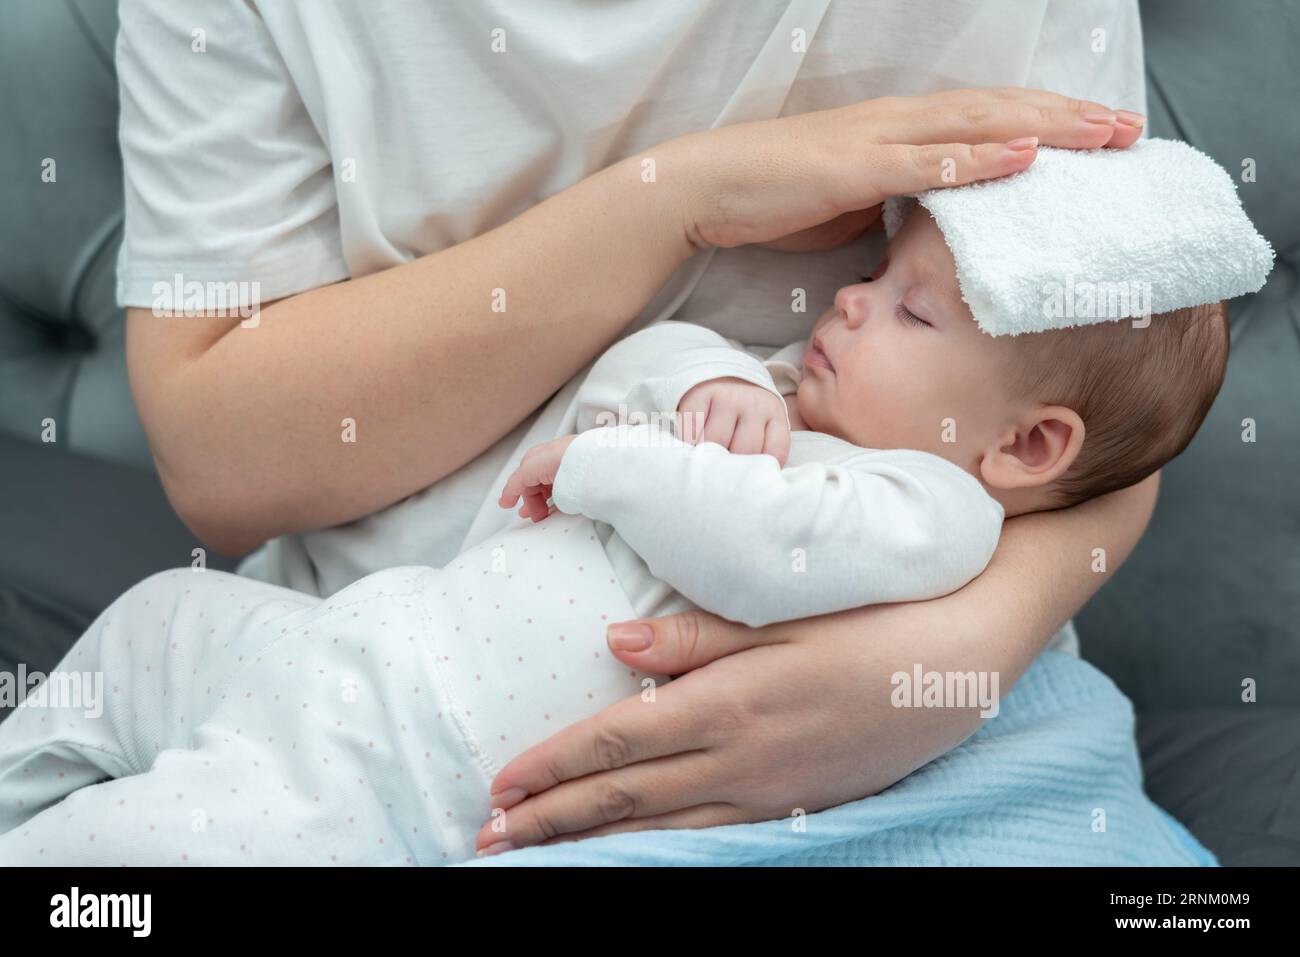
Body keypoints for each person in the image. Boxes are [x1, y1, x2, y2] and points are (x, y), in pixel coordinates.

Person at [117, 0, 1155, 853]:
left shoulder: (924, 500)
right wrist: (679, 201)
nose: (846, 301)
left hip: (934, 712)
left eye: (904, 301)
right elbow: (222, 467)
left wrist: (944, 666)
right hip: (398, 676)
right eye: (869, 276)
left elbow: (1117, 394)